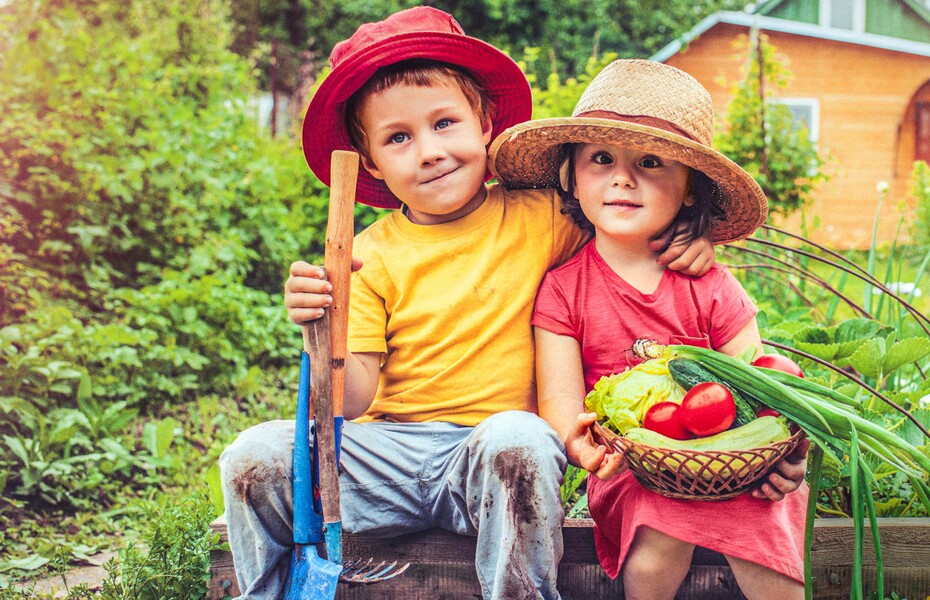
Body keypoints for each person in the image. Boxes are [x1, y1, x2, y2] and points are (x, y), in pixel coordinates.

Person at [217, 9, 716, 599]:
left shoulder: (544, 215)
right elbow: (352, 400)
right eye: (398, 138)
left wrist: (689, 235)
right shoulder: (365, 256)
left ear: (484, 124)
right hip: (385, 456)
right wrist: (322, 330)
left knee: (521, 438)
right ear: (372, 163)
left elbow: (629, 230)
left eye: (444, 123)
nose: (428, 152)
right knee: (253, 455)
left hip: (491, 456)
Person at [492, 59, 809, 600]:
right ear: (571, 175)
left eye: (651, 161)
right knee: (653, 557)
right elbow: (565, 412)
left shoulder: (709, 281)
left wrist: (785, 458)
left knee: (769, 548)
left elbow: (762, 390)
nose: (622, 177)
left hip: (732, 461)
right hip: (634, 465)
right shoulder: (564, 290)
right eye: (601, 158)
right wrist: (585, 443)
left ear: (690, 189)